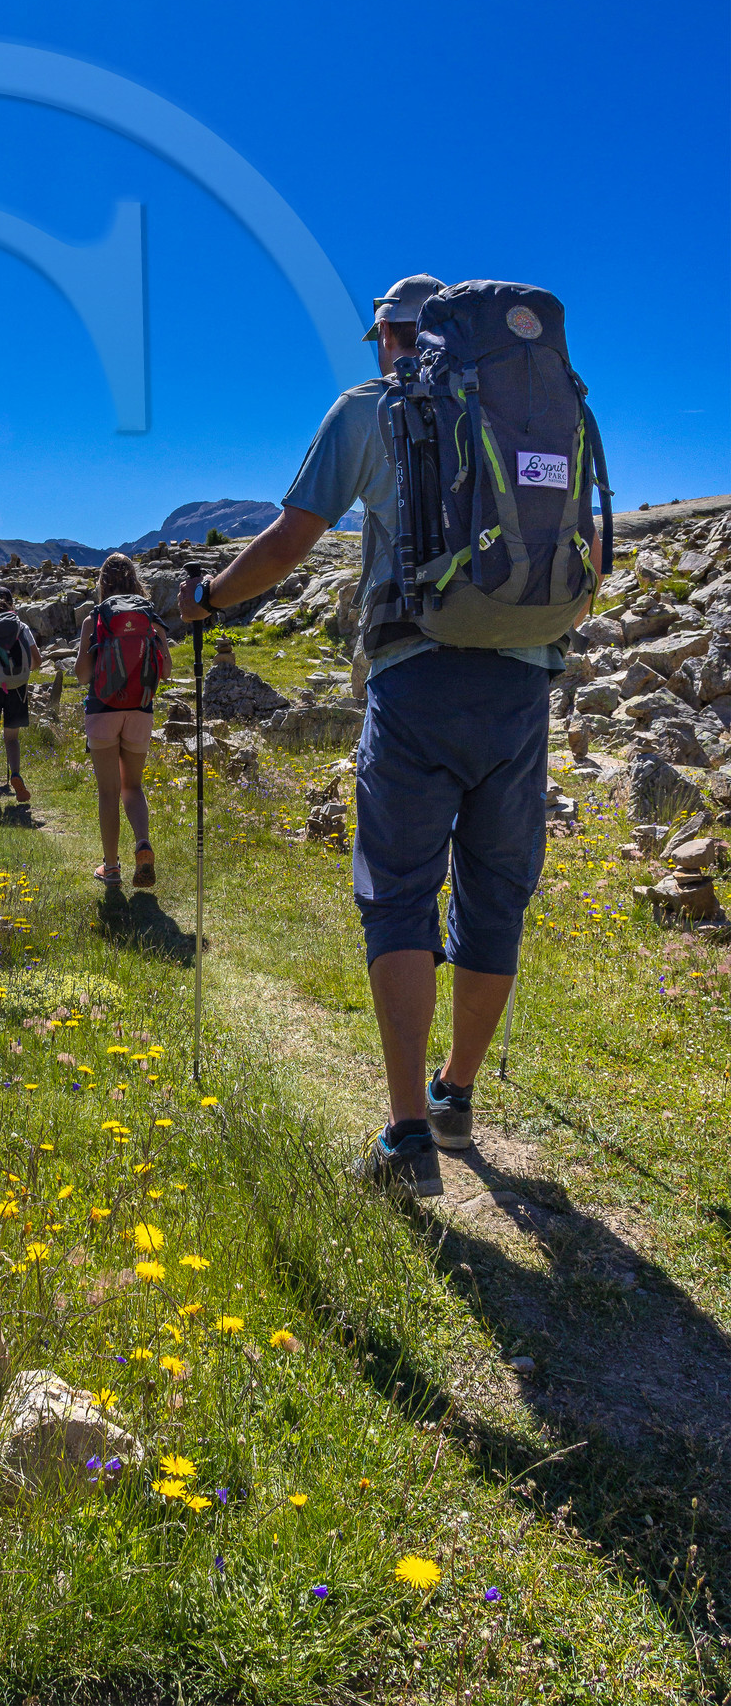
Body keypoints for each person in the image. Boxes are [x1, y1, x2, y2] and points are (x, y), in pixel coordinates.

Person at [179, 273, 578, 1199]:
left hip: (415, 673)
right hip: (523, 682)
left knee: (399, 892)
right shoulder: (527, 401)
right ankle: (457, 1093)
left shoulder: (372, 410)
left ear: (393, 335)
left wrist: (206, 598)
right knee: (495, 894)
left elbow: (286, 543)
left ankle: (407, 1140)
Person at [75, 550, 172, 889]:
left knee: (108, 791)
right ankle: (142, 843)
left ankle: (111, 867)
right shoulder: (150, 618)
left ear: (102, 583)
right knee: (133, 785)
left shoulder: (96, 619)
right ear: (135, 580)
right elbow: (167, 670)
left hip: (103, 711)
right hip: (140, 710)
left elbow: (82, 675)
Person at [0, 584, 42, 803]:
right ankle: (15, 773)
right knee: (12, 738)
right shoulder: (21, 627)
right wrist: (19, 674)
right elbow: (37, 661)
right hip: (18, 688)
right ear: (11, 605)